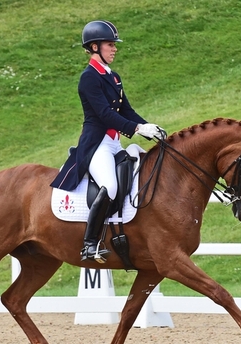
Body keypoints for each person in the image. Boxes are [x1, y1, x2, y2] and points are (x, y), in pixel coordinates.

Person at [50, 20, 163, 262]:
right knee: (110, 186)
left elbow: (127, 111)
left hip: (114, 143)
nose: (114, 49)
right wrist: (137, 128)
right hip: (96, 145)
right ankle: (90, 244)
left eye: (114, 45)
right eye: (110, 45)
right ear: (94, 47)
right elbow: (106, 115)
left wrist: (149, 127)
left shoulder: (114, 77)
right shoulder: (89, 78)